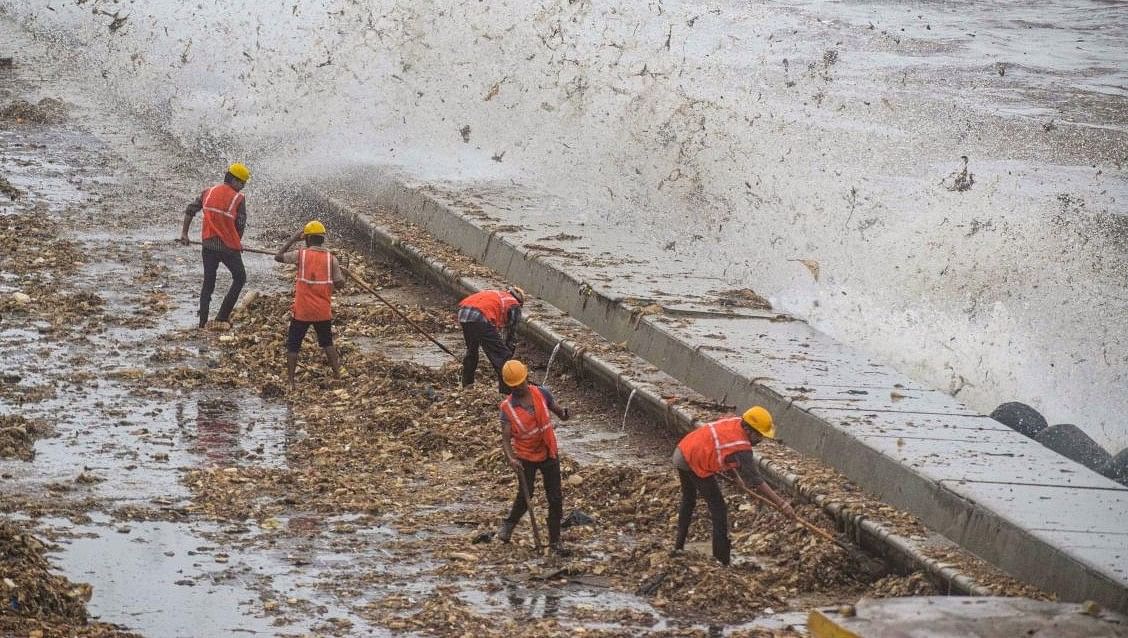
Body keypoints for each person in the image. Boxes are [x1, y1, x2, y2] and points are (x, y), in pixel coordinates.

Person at [672, 406, 796, 565]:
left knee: (689, 500)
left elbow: (725, 451)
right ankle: (721, 560)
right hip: (693, 460)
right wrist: (782, 504)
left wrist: (736, 477)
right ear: (750, 431)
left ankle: (678, 547)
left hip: (683, 449)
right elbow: (756, 480)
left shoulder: (735, 421)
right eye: (760, 436)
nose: (761, 440)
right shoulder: (743, 447)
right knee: (719, 509)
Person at [496, 360, 572, 554]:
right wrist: (511, 459)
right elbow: (505, 438)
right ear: (509, 386)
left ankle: (555, 541)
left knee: (555, 498)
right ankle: (509, 524)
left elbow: (557, 411)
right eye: (514, 385)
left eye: (520, 383)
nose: (518, 387)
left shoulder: (542, 393)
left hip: (548, 452)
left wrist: (564, 414)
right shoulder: (507, 408)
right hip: (526, 456)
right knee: (525, 494)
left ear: (526, 378)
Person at [274, 220, 347, 389]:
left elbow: (278, 257)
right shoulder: (331, 259)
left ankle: (291, 382)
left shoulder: (301, 254)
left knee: (293, 345)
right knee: (327, 342)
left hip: (302, 311)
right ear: (322, 238)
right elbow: (340, 284)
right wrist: (344, 273)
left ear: (306, 239)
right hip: (322, 311)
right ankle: (337, 373)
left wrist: (293, 239)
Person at [179, 163, 251, 329]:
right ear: (233, 180)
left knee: (208, 283)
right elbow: (240, 225)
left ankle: (202, 322)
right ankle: (222, 317)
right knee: (240, 278)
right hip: (228, 248)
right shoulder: (238, 199)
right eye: (242, 183)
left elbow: (190, 210)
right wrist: (237, 243)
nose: (243, 187)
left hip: (208, 246)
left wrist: (185, 233)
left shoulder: (208, 192)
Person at [458, 287, 525, 393]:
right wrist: (508, 354)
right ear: (520, 302)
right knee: (502, 356)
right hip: (480, 316)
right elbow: (511, 335)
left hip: (464, 313)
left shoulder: (496, 294)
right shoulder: (514, 304)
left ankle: (467, 386)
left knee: (472, 351)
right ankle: (506, 391)